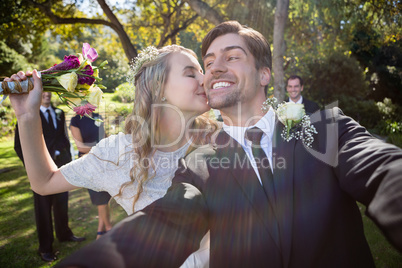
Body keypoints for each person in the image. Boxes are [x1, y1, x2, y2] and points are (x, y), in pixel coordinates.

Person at [57, 21, 402, 268]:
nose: (215, 68)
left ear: (265, 74)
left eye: (232, 57)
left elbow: (385, 170)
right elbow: (160, 227)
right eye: (207, 63)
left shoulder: (324, 127)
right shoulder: (198, 165)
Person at [6, 45, 219, 267]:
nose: (205, 79)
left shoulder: (221, 139)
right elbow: (44, 182)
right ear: (159, 88)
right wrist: (27, 116)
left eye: (202, 71)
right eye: (190, 73)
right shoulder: (119, 154)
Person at [14, 92, 85, 262]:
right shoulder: (28, 115)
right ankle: (45, 247)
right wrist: (33, 168)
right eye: (42, 90)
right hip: (40, 171)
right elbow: (19, 145)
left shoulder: (59, 112)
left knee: (62, 202)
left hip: (61, 167)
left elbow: (62, 138)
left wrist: (67, 157)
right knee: (43, 209)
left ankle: (64, 234)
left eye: (48, 90)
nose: (46, 94)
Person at [69, 111, 113, 239]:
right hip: (88, 163)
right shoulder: (75, 120)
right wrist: (101, 147)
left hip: (103, 161)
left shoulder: (97, 116)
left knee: (104, 196)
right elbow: (81, 147)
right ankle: (109, 228)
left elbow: (104, 137)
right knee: (99, 196)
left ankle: (101, 230)